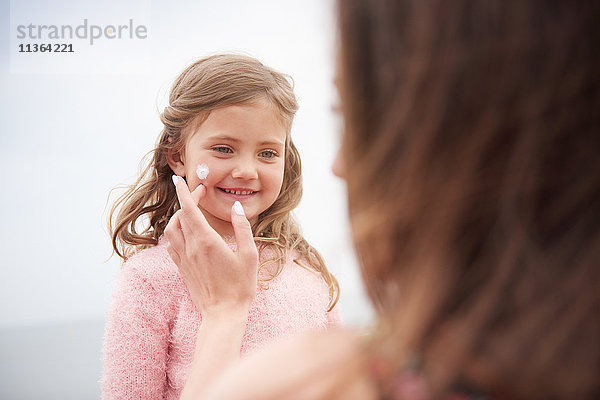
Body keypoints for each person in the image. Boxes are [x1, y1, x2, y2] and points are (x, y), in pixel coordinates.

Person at [172, 1, 600, 399]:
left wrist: (225, 314)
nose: (338, 165)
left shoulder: (317, 372)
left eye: (358, 115)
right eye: (224, 148)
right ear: (178, 156)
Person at [101, 54, 341, 399]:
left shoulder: (306, 269)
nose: (246, 170)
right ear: (178, 156)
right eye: (224, 149)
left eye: (268, 153)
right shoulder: (149, 278)